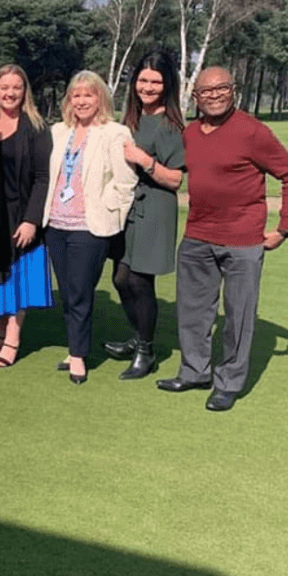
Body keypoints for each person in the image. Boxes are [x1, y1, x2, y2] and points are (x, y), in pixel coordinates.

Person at [157, 66, 288, 412]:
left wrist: (285, 227)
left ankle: (228, 383)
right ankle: (195, 372)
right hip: (196, 237)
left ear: (233, 90)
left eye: (221, 88)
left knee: (238, 315)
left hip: (242, 241)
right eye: (206, 91)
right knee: (192, 313)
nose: (214, 95)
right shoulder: (191, 133)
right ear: (196, 97)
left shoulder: (252, 131)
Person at [43, 70, 137, 384]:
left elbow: (125, 182)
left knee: (81, 292)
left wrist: (109, 210)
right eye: (77, 95)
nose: (82, 101)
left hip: (90, 227)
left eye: (89, 95)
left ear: (101, 99)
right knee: (68, 294)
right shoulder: (57, 131)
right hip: (55, 224)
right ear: (68, 100)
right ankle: (74, 347)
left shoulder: (115, 133)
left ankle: (79, 355)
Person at [103, 50, 186, 379]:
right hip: (126, 208)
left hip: (154, 208)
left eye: (155, 81)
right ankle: (138, 338)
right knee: (120, 278)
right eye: (142, 80)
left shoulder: (170, 124)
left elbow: (176, 179)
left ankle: (146, 351)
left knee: (139, 280)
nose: (147, 87)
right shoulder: (132, 119)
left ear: (167, 85)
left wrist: (143, 160)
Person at [0, 64, 53, 368]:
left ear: (24, 91)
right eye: (4, 87)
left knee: (18, 280)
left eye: (16, 88)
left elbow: (43, 178)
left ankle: (12, 338)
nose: (10, 93)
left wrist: (32, 219)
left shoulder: (36, 126)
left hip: (22, 216)